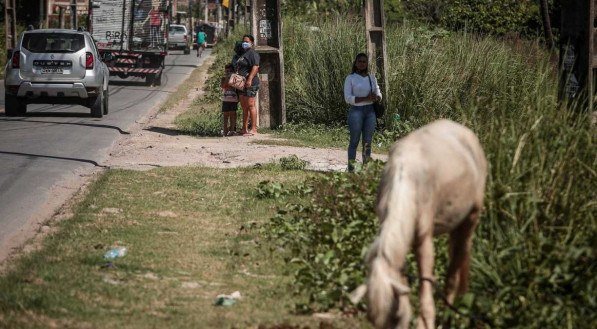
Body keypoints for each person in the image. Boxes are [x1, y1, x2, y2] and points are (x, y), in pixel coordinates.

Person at [343, 53, 382, 172]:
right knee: (354, 141)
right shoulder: (351, 78)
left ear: (367, 64)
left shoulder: (371, 77)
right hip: (356, 112)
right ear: (355, 63)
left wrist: (377, 97)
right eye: (359, 61)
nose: (362, 63)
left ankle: (366, 170)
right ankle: (351, 170)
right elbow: (348, 98)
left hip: (370, 112)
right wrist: (366, 98)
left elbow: (378, 92)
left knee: (367, 143)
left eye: (364, 61)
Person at [235, 34, 260, 136]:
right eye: (243, 41)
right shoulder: (242, 53)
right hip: (241, 83)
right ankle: (244, 129)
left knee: (251, 105)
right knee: (244, 106)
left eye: (247, 41)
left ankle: (254, 128)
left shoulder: (253, 54)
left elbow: (255, 67)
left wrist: (249, 79)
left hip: (250, 82)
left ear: (251, 43)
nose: (244, 43)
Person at [221, 64, 239, 136]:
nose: (228, 72)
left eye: (230, 71)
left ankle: (232, 130)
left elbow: (237, 86)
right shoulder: (223, 78)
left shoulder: (235, 78)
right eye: (226, 71)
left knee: (233, 114)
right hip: (225, 99)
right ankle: (225, 130)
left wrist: (233, 77)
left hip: (233, 99)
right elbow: (223, 86)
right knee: (225, 115)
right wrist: (227, 78)